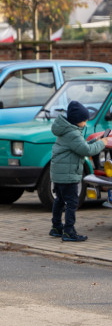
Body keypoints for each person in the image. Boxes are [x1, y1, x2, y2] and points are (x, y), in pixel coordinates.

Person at [49, 100, 107, 242]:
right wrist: (102, 143)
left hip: (59, 174)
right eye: (84, 120)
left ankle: (56, 227)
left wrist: (95, 141)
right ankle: (69, 231)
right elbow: (86, 150)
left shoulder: (67, 130)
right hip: (68, 176)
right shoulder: (73, 134)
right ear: (77, 121)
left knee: (60, 200)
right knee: (72, 202)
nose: (85, 123)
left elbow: (79, 146)